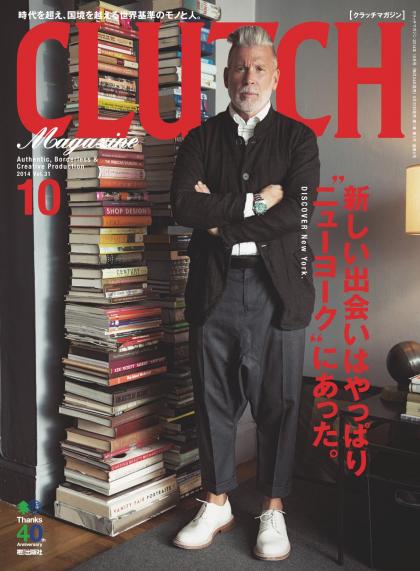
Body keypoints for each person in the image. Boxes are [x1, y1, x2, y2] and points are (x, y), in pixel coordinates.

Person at [169, 25, 320, 561]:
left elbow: (296, 214)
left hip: (279, 292)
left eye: (258, 68)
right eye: (239, 67)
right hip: (214, 287)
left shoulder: (299, 139)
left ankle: (272, 508)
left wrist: (220, 220)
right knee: (213, 400)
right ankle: (216, 502)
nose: (248, 77)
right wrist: (256, 203)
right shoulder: (200, 139)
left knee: (278, 403)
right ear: (227, 75)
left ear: (275, 76)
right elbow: (183, 205)